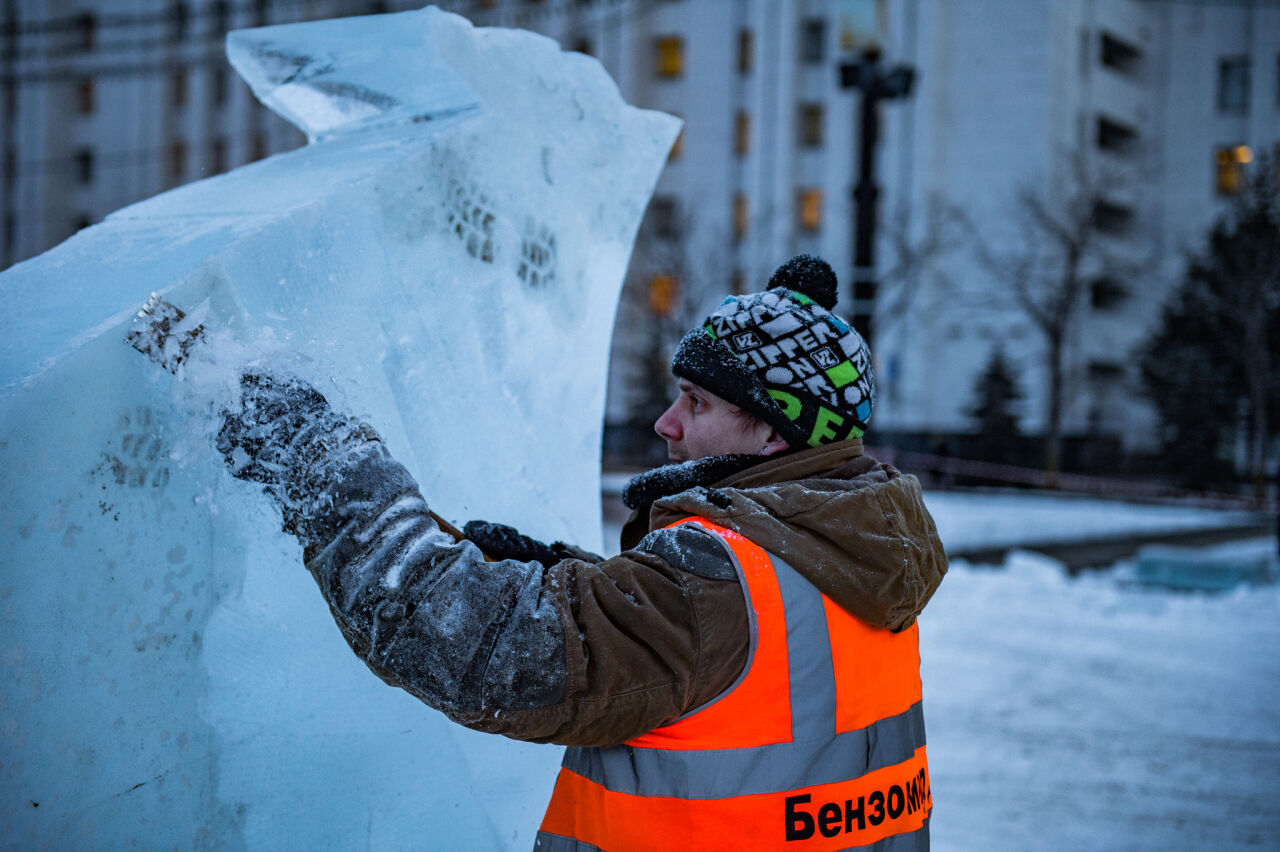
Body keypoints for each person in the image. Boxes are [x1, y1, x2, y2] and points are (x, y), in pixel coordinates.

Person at [217, 254, 948, 850]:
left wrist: (319, 461)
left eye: (696, 401)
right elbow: (742, 663)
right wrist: (573, 578)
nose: (666, 421)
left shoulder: (719, 584)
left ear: (774, 435)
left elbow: (476, 649)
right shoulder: (859, 542)